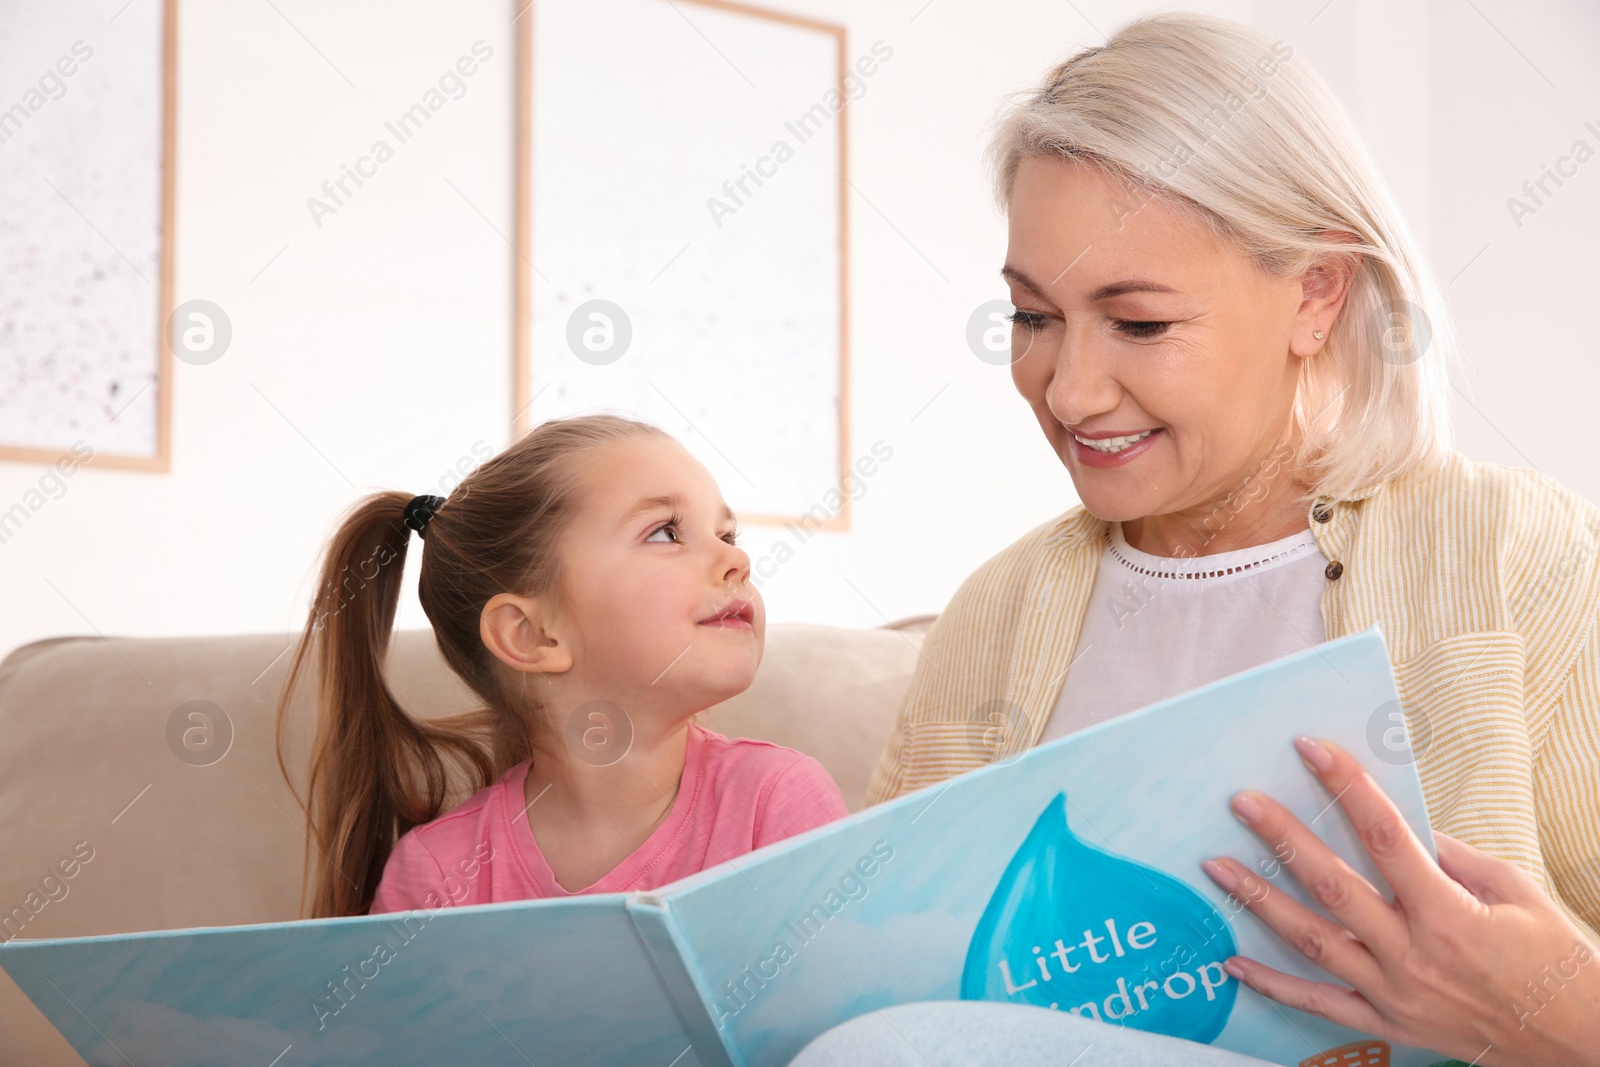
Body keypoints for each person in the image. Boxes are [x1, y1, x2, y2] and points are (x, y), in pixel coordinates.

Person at [798, 11, 1600, 1066]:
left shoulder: (1509, 548)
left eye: (1138, 324)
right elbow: (886, 986)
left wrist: (1546, 1010)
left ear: (1315, 292)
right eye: (1033, 318)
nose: (1070, 390)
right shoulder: (995, 613)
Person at [273, 413, 849, 919]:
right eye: (666, 532)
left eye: (727, 533)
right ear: (531, 635)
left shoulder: (776, 805)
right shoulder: (435, 876)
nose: (737, 558)